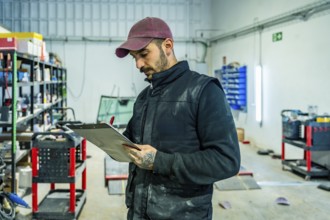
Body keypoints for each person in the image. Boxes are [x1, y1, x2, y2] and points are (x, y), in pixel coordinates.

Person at [115, 17, 240, 220]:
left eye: (144, 54)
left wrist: (160, 161)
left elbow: (226, 161)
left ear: (167, 46)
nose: (138, 64)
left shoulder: (204, 91)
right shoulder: (144, 97)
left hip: (183, 214)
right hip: (139, 212)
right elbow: (130, 142)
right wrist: (109, 142)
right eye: (134, 57)